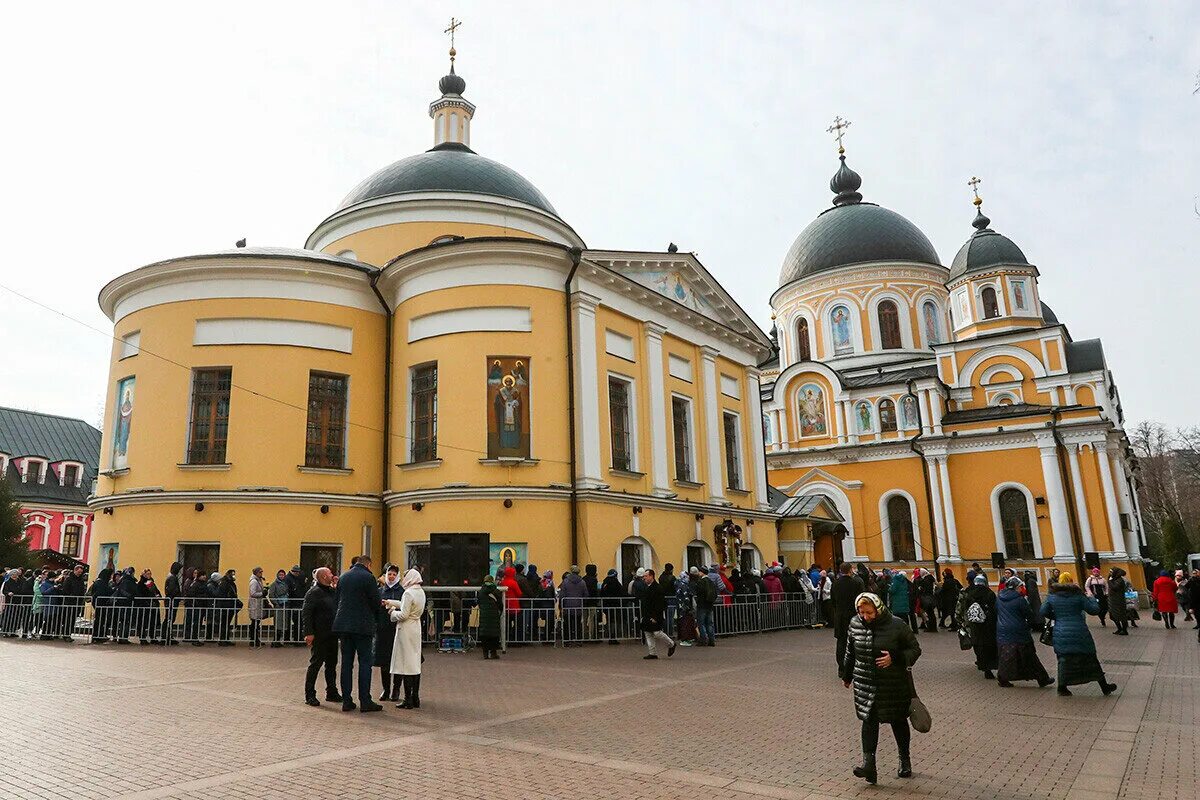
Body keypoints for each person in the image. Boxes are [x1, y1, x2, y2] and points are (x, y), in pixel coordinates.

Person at [840, 592, 921, 784]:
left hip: (893, 683)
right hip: (865, 682)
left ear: (879, 609)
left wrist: (895, 657)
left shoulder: (897, 624)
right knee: (869, 721)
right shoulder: (854, 624)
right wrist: (847, 674)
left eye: (869, 612)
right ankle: (869, 766)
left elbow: (915, 649)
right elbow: (850, 651)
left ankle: (904, 759)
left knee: (898, 721)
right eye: (861, 612)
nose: (865, 617)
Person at [1040, 572, 1117, 697]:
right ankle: (1104, 687)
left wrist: (1057, 617)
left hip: (1060, 631)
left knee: (1063, 659)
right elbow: (1094, 610)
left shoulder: (1052, 596)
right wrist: (1091, 598)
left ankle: (1062, 687)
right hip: (1079, 631)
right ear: (1071, 581)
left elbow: (1043, 611)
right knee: (1090, 657)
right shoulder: (1078, 595)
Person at [331, 555, 384, 713]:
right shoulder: (368, 578)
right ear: (368, 564)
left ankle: (346, 701)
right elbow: (375, 602)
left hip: (343, 626)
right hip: (362, 627)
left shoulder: (344, 577)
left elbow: (337, 600)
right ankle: (365, 701)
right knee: (365, 664)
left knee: (346, 664)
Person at [995, 577, 1053, 688]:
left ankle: (1002, 678)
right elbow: (1028, 614)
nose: (1022, 589)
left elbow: (996, 611)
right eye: (1021, 587)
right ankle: (1042, 678)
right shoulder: (1020, 600)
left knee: (1005, 656)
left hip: (1002, 631)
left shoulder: (999, 598)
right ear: (1017, 587)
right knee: (1029, 655)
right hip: (1019, 630)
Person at [301, 567, 340, 707]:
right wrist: (308, 633)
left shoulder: (332, 591)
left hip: (332, 634)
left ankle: (331, 692)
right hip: (319, 634)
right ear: (323, 577)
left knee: (331, 664)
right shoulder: (313, 593)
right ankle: (310, 694)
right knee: (316, 664)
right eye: (330, 573)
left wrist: (337, 586)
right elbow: (306, 614)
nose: (332, 575)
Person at [388, 568, 426, 709]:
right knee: (414, 663)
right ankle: (415, 697)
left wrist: (392, 613)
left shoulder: (408, 593)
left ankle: (407, 699)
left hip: (406, 629)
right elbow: (409, 607)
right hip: (415, 628)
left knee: (406, 664)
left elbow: (404, 614)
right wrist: (392, 602)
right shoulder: (420, 591)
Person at [958, 575, 998, 680]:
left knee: (978, 644)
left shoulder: (969, 593)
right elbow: (995, 608)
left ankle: (983, 666)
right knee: (989, 644)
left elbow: (963, 607)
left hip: (974, 623)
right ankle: (992, 664)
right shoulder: (989, 593)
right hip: (988, 623)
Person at [373, 564, 404, 701]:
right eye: (389, 574)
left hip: (397, 629)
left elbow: (405, 606)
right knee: (384, 662)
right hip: (382, 629)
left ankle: (396, 689)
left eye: (393, 574)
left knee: (397, 661)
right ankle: (386, 689)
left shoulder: (402, 591)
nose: (391, 577)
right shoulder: (380, 591)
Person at [831, 562, 865, 669]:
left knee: (841, 642)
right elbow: (861, 600)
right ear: (850, 570)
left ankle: (841, 667)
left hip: (840, 617)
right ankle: (854, 665)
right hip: (853, 616)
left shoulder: (835, 583)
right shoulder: (855, 583)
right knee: (855, 641)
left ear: (841, 571)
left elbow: (833, 600)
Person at [639, 568, 676, 660]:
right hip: (646, 614)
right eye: (644, 576)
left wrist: (655, 616)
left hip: (655, 615)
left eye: (646, 576)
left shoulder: (658, 588)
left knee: (657, 633)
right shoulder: (646, 587)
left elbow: (660, 604)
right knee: (648, 633)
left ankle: (671, 644)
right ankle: (652, 653)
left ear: (651, 576)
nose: (644, 578)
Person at [476, 573, 503, 659]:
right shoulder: (496, 591)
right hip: (494, 615)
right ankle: (493, 653)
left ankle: (485, 654)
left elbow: (479, 603)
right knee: (494, 634)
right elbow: (500, 604)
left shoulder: (480, 592)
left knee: (485, 635)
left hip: (484, 615)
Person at [559, 565, 587, 645]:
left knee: (567, 624)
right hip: (578, 605)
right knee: (578, 623)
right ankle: (578, 640)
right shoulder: (582, 582)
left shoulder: (566, 581)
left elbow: (562, 594)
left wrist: (561, 605)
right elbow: (586, 594)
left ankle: (567, 641)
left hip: (567, 606)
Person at [599, 568, 626, 643]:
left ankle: (609, 635)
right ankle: (613, 637)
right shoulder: (615, 582)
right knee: (614, 621)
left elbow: (601, 593)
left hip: (606, 605)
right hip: (615, 605)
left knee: (609, 620)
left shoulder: (605, 582)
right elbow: (622, 592)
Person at [693, 565, 718, 646]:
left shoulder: (701, 582)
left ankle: (703, 640)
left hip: (702, 605)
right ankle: (712, 640)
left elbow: (698, 593)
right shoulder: (711, 582)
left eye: (700, 571)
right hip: (710, 605)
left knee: (701, 623)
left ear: (702, 572)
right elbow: (715, 592)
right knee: (710, 623)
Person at [61, 565, 87, 642]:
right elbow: (65, 591)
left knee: (73, 620)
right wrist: (70, 597)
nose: (79, 574)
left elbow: (82, 590)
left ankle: (69, 633)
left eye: (81, 572)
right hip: (69, 603)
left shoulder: (80, 580)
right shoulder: (69, 579)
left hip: (77, 603)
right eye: (78, 572)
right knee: (68, 619)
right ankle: (66, 634)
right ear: (75, 570)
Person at [675, 568, 697, 645]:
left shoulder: (680, 584)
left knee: (686, 623)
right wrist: (688, 607)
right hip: (684, 608)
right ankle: (684, 639)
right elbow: (686, 597)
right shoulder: (683, 585)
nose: (688, 578)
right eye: (687, 577)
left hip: (681, 608)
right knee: (685, 624)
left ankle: (687, 638)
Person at [162, 562, 183, 645]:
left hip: (171, 601)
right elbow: (171, 590)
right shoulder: (172, 578)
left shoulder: (171, 577)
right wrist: (178, 594)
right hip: (172, 601)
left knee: (169, 618)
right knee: (169, 618)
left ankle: (167, 636)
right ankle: (166, 636)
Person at [1107, 567, 1131, 636]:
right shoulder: (1114, 579)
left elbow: (1115, 587)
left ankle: (1124, 630)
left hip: (1119, 600)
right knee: (1113, 615)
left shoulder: (1120, 580)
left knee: (1121, 615)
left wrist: (1109, 581)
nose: (1110, 573)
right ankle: (1119, 628)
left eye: (1111, 572)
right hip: (1113, 600)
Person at [269, 569, 290, 646]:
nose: (281, 576)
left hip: (285, 605)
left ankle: (278, 640)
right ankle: (275, 641)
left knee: (284, 624)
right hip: (279, 606)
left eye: (283, 575)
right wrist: (275, 603)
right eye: (280, 575)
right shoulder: (274, 584)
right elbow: (271, 595)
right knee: (278, 624)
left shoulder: (286, 584)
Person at [285, 565, 306, 645]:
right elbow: (291, 591)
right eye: (297, 572)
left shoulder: (296, 578)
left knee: (298, 621)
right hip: (293, 603)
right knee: (296, 621)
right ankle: (295, 639)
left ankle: (296, 638)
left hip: (296, 603)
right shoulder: (288, 579)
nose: (298, 574)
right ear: (294, 572)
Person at [247, 567, 266, 648]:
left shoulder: (258, 580)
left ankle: (256, 639)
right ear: (256, 573)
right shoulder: (254, 581)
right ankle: (253, 639)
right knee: (255, 623)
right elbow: (253, 593)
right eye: (260, 572)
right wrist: (262, 594)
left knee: (256, 623)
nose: (261, 574)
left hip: (258, 604)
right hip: (255, 604)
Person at [914, 568, 937, 633]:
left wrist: (920, 588)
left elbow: (922, 589)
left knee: (930, 614)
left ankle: (931, 628)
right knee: (931, 614)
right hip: (930, 598)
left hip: (926, 598)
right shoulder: (930, 578)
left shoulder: (925, 580)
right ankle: (933, 627)